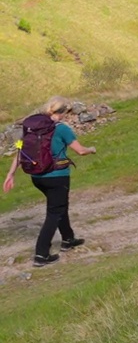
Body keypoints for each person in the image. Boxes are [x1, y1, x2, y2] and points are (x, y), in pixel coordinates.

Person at [3, 96, 97, 267]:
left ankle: (68, 239)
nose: (66, 116)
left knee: (60, 205)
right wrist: (92, 149)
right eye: (66, 113)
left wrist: (11, 174)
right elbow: (81, 151)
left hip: (37, 177)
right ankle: (41, 254)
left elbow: (19, 150)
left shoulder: (32, 127)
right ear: (61, 112)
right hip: (57, 177)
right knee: (55, 212)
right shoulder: (61, 129)